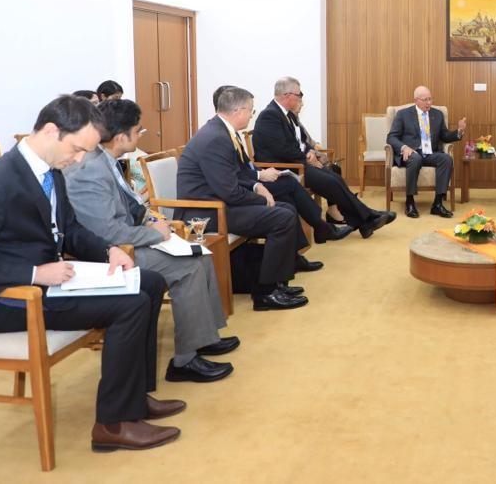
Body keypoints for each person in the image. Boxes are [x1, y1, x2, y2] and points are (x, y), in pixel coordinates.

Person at [0, 96, 182, 451]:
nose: (80, 159)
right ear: (52, 131)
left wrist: (108, 250)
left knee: (149, 282)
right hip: (3, 297)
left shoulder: (51, 171)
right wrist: (35, 273)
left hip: (51, 283)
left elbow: (69, 231)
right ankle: (113, 425)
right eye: (77, 149)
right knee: (128, 304)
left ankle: (135, 398)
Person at [64, 99, 235, 383]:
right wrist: (155, 234)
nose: (141, 133)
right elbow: (107, 233)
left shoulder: (105, 160)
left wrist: (150, 218)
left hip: (130, 239)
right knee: (188, 267)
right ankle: (184, 361)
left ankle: (203, 337)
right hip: (112, 254)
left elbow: (128, 205)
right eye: (138, 130)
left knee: (200, 254)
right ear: (121, 136)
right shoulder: (89, 171)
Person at [176, 87, 315, 312]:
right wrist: (262, 199)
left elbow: (237, 176)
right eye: (251, 110)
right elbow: (229, 191)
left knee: (285, 209)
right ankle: (265, 293)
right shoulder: (216, 138)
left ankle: (276, 283)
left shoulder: (221, 132)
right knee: (281, 217)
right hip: (206, 213)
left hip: (219, 204)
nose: (252, 115)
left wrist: (258, 185)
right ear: (239, 111)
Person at [252, 77, 395, 238]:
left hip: (295, 163)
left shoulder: (287, 115)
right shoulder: (269, 116)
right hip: (284, 168)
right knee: (331, 181)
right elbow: (282, 149)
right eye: (299, 94)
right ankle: (367, 218)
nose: (300, 98)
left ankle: (365, 220)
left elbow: (301, 142)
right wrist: (307, 157)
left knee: (334, 178)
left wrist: (310, 152)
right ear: (287, 95)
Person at [386, 85, 466, 218]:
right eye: (425, 100)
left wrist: (459, 132)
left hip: (430, 153)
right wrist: (404, 147)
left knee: (446, 159)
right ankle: (410, 201)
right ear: (416, 100)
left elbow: (444, 135)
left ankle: (438, 204)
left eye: (430, 99)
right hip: (412, 153)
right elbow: (391, 137)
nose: (429, 103)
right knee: (415, 158)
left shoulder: (437, 114)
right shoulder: (403, 114)